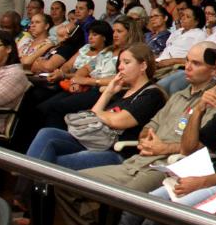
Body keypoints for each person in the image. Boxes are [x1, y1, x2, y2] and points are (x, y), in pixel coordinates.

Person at [53, 42, 216, 225]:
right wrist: (146, 138)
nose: (187, 67)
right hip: (138, 160)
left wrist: (163, 146)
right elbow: (150, 125)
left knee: (124, 200)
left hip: (167, 168)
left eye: (196, 63)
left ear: (213, 70)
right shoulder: (178, 96)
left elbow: (202, 146)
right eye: (188, 61)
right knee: (67, 184)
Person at [23, 43, 167, 171]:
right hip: (95, 140)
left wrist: (102, 114)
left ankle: (24, 196)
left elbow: (118, 121)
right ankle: (22, 197)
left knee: (53, 162)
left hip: (117, 152)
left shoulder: (151, 94)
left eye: (127, 62)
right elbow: (94, 115)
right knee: (47, 133)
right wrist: (109, 92)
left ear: (143, 66)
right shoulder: (120, 91)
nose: (120, 67)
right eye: (120, 62)